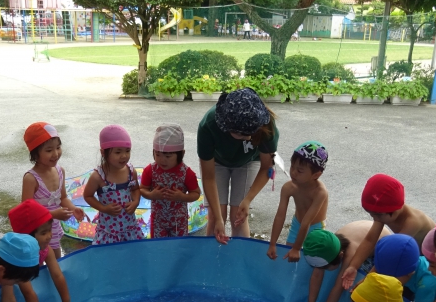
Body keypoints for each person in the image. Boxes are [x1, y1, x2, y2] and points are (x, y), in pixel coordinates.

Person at [197, 89, 279, 244]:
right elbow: (208, 177)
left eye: (252, 132)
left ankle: (241, 255)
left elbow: (266, 168)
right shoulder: (209, 125)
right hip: (217, 161)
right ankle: (212, 255)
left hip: (249, 161)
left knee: (239, 216)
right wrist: (219, 219)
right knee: (215, 216)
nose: (249, 137)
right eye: (243, 134)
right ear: (226, 127)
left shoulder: (266, 125)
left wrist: (247, 200)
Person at [341, 174, 434, 290]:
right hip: (407, 253)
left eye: (377, 215)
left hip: (429, 262)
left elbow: (392, 254)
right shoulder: (383, 213)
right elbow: (370, 240)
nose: (375, 219)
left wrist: (367, 280)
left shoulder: (413, 222)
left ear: (395, 210)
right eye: (371, 215)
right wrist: (353, 266)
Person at [302, 221, 392, 302]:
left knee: (360, 275)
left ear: (341, 255)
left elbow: (339, 286)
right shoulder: (328, 244)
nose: (321, 270)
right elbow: (317, 274)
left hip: (385, 247)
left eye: (325, 268)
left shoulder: (350, 254)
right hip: (364, 232)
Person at [21, 122, 84, 259]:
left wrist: (73, 209)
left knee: (56, 260)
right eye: (49, 150)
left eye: (58, 147)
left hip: (53, 229)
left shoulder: (60, 171)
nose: (56, 154)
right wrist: (53, 214)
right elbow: (26, 212)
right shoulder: (31, 179)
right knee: (34, 261)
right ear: (35, 154)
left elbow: (62, 198)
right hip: (37, 232)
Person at [8, 200, 76, 302]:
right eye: (43, 233)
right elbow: (27, 292)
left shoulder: (45, 250)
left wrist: (66, 301)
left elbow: (57, 275)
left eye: (50, 230)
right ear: (27, 237)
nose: (49, 236)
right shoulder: (20, 257)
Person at [267, 141, 329, 263]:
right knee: (289, 256)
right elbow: (280, 216)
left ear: (316, 174)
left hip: (316, 228)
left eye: (300, 171)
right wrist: (272, 243)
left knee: (312, 259)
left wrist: (296, 248)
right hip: (297, 224)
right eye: (292, 167)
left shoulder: (320, 192)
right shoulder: (289, 187)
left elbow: (307, 222)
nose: (293, 172)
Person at [83, 125, 144, 245]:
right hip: (109, 231)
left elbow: (135, 189)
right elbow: (88, 196)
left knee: (133, 254)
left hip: (130, 228)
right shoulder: (98, 176)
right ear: (103, 153)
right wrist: (103, 208)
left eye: (127, 151)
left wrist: (136, 202)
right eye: (118, 152)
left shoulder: (131, 172)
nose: (124, 156)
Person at [140, 124, 201, 238]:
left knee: (178, 246)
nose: (162, 160)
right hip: (158, 221)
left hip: (179, 222)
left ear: (181, 154)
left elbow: (196, 193)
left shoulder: (186, 173)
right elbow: (142, 189)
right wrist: (151, 195)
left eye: (168, 156)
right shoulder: (150, 170)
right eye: (158, 154)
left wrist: (182, 197)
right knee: (159, 246)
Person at [374, 234, 436, 302]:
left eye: (392, 277)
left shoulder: (427, 284)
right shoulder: (410, 260)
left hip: (433, 299)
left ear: (410, 273)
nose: (387, 280)